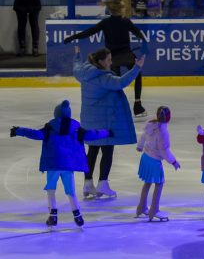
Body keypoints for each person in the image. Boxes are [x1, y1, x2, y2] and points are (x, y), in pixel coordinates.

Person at [10, 100, 111, 229]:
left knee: (51, 190)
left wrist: (19, 130)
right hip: (68, 166)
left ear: (56, 115)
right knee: (71, 191)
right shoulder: (76, 129)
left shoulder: (50, 128)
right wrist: (107, 132)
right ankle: (77, 215)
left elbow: (35, 134)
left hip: (53, 164)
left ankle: (53, 215)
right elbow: (92, 134)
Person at [73, 46, 145, 199]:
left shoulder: (84, 73)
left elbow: (76, 66)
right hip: (103, 121)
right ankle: (103, 184)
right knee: (107, 150)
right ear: (101, 62)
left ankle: (87, 183)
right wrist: (136, 67)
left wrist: (78, 54)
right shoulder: (104, 78)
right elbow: (121, 82)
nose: (111, 63)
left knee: (92, 151)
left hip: (88, 120)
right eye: (109, 60)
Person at [64, 0, 149, 117]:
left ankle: (116, 107)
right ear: (120, 9)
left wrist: (72, 37)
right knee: (137, 75)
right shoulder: (126, 22)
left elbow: (88, 32)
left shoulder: (106, 23)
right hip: (126, 55)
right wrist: (145, 44)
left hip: (112, 58)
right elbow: (138, 33)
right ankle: (138, 105)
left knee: (115, 82)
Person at [136, 106, 180, 222]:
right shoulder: (163, 132)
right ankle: (154, 210)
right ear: (169, 118)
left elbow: (143, 135)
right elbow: (164, 150)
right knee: (159, 184)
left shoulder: (150, 123)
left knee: (148, 183)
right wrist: (173, 161)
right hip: (154, 161)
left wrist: (140, 146)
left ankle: (141, 207)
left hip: (145, 157)